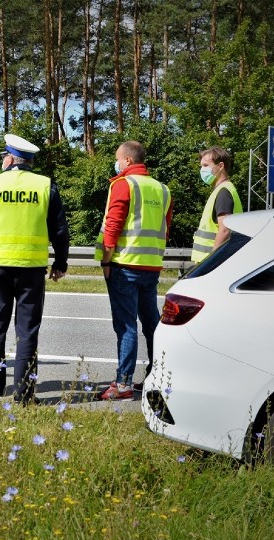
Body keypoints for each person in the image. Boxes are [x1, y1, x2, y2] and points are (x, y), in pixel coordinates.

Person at [0, 134, 70, 405]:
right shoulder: (46, 186)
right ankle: (24, 395)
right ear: (29, 162)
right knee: (27, 331)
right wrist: (60, 263)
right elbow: (60, 230)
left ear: (9, 159)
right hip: (31, 269)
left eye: (3, 158)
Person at [96, 141, 172, 400]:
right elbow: (165, 229)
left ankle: (124, 383)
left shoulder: (122, 184)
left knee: (126, 325)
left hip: (124, 265)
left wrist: (106, 261)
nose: (115, 163)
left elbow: (113, 226)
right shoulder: (163, 190)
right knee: (152, 323)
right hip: (151, 266)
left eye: (117, 158)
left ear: (128, 161)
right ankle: (156, 376)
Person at [191, 146, 242, 263]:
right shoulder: (222, 190)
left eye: (206, 165)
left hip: (212, 264)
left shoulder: (224, 192)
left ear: (220, 166)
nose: (202, 170)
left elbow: (225, 229)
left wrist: (212, 261)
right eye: (201, 166)